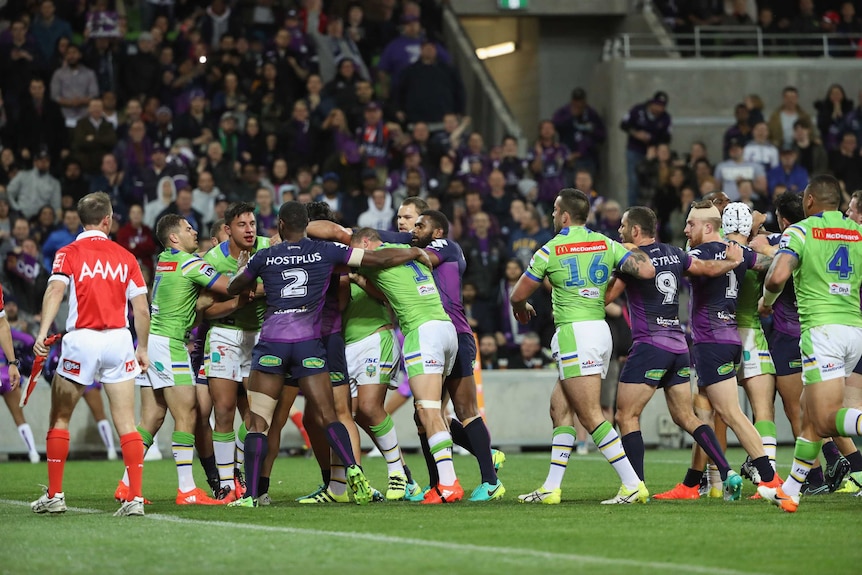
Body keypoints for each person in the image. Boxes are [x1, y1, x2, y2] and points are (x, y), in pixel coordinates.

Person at [225, 202, 431, 507]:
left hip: (273, 343)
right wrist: (412, 252)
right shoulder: (326, 252)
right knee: (330, 414)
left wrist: (245, 269)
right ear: (306, 223)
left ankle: (252, 495)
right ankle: (352, 470)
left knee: (259, 420)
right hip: (311, 342)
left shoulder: (265, 255)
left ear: (280, 224)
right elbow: (375, 258)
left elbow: (234, 287)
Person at [513, 188, 656, 505]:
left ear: (564, 215)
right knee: (559, 408)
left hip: (575, 333)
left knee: (591, 415)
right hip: (600, 331)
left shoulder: (550, 250)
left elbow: (517, 293)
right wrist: (626, 251)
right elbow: (646, 270)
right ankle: (551, 487)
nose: (551, 215)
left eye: (553, 209)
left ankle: (632, 484)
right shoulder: (607, 244)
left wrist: (519, 309)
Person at [606, 206, 744, 498]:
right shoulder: (676, 253)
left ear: (634, 231)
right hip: (680, 347)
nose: (619, 231)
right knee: (687, 417)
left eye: (622, 226)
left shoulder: (632, 259)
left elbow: (607, 297)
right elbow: (707, 269)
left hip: (650, 346)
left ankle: (635, 487)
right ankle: (727, 470)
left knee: (626, 415)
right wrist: (732, 262)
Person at [30, 192, 150, 517]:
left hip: (82, 340)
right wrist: (142, 347)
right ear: (108, 220)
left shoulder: (68, 252)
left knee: (60, 418)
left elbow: (55, 290)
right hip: (118, 340)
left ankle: (55, 495)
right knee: (126, 422)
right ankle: (135, 498)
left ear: (82, 219)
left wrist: (42, 334)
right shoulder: (126, 257)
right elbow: (141, 308)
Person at [654, 200, 782, 500]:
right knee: (704, 410)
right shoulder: (740, 252)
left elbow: (676, 268)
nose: (686, 230)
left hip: (711, 340)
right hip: (729, 337)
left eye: (691, 225)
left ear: (709, 227)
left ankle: (770, 478)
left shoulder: (699, 253)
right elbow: (771, 265)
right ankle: (692, 483)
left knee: (729, 412)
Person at [758, 175, 862, 512]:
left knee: (824, 419)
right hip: (853, 331)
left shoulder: (801, 231)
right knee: (806, 411)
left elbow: (776, 276)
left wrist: (767, 300)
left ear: (811, 201)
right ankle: (791, 490)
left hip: (822, 332)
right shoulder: (857, 232)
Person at [114, 214, 233, 506]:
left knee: (152, 417)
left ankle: (126, 485)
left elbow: (190, 299)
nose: (195, 232)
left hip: (151, 343)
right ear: (174, 238)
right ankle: (187, 489)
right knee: (188, 412)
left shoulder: (166, 261)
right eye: (188, 229)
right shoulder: (190, 263)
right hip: (169, 345)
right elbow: (229, 286)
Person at [350, 227, 461, 503]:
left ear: (365, 242)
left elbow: (357, 257)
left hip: (422, 333)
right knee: (437, 411)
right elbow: (388, 291)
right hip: (446, 329)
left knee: (428, 411)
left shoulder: (376, 255)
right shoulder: (408, 259)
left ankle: (448, 484)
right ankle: (446, 482)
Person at [412, 210, 503, 501]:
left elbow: (424, 258)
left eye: (417, 223)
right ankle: (438, 482)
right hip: (432, 336)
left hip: (456, 334)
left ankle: (490, 481)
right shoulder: (416, 248)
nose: (411, 228)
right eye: (405, 221)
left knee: (465, 410)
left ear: (437, 231)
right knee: (424, 413)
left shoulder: (444, 246)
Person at [203, 202, 269, 502]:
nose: (250, 230)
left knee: (258, 414)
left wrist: (254, 287)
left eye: (252, 223)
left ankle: (242, 471)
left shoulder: (269, 248)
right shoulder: (213, 260)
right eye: (242, 225)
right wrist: (238, 302)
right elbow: (204, 309)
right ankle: (227, 483)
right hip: (225, 336)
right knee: (225, 409)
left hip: (261, 336)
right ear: (227, 229)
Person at [620, 91, 672, 208]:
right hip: (635, 149)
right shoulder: (638, 110)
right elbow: (623, 124)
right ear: (652, 103)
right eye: (657, 105)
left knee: (653, 181)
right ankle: (632, 210)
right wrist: (637, 134)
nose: (659, 108)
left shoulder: (665, 118)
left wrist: (657, 148)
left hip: (653, 151)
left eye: (662, 106)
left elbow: (667, 137)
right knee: (634, 181)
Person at [0, 284, 34, 462]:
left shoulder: (12, 330)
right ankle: (34, 452)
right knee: (18, 416)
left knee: (18, 414)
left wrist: (13, 362)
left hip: (4, 370)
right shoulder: (15, 332)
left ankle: (34, 452)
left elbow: (2, 326)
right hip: (4, 371)